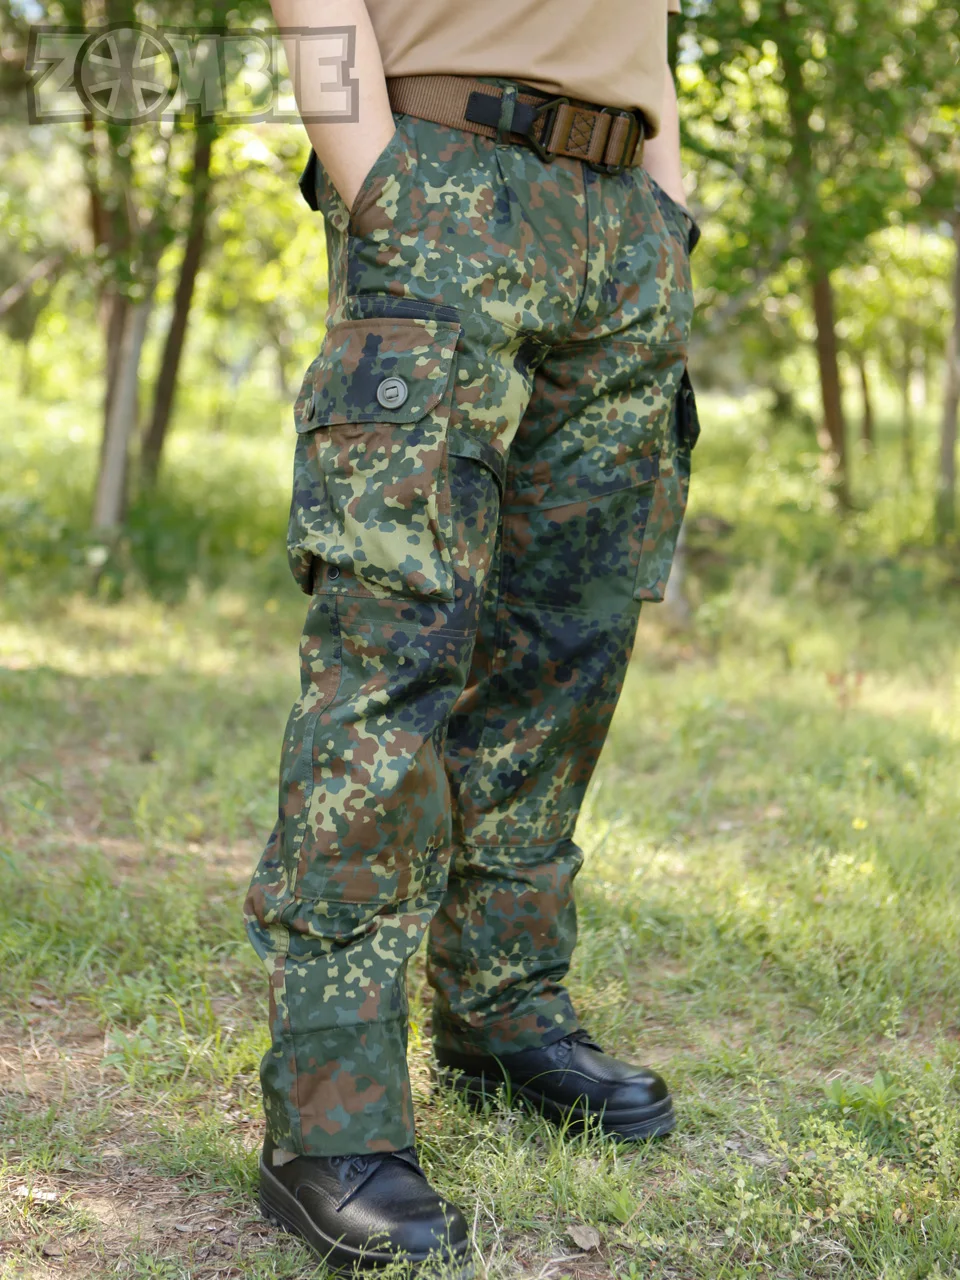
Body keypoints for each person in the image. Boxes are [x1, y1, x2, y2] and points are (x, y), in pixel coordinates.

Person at [245, 0, 700, 1274]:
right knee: (389, 657)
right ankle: (331, 1113)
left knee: (566, 648)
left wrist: (666, 209)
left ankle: (503, 1015)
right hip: (439, 175)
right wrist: (375, 173)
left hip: (622, 224)